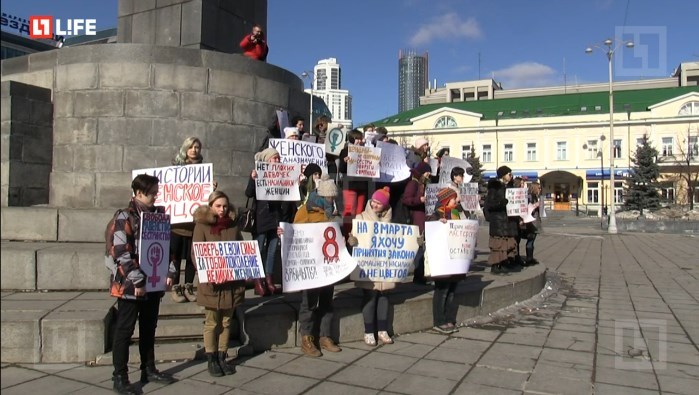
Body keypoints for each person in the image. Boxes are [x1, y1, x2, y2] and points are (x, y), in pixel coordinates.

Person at [106, 174, 176, 394]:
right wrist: (138, 279)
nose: (156, 196)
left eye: (156, 192)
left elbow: (167, 247)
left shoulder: (159, 216)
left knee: (149, 328)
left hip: (153, 282)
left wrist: (170, 271)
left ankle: (149, 368)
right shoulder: (124, 217)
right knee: (124, 330)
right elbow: (119, 252)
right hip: (129, 286)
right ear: (138, 193)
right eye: (152, 192)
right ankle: (120, 376)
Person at [192, 191, 246, 377]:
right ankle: (211, 358)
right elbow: (196, 253)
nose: (222, 209)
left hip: (231, 283)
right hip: (212, 284)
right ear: (211, 206)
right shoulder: (202, 225)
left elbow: (240, 249)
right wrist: (210, 272)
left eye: (224, 206)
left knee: (226, 321)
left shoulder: (233, 226)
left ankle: (223, 356)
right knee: (211, 323)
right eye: (218, 206)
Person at [292, 175, 342, 357]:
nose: (332, 200)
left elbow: (339, 237)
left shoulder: (333, 213)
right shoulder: (305, 212)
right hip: (311, 267)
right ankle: (307, 338)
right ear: (321, 196)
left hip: (328, 266)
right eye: (329, 197)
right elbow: (296, 235)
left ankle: (325, 336)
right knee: (309, 303)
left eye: (333, 198)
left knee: (327, 301)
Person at [347, 187, 396, 346]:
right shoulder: (361, 217)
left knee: (384, 296)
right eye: (374, 201)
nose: (375, 205)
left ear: (385, 206)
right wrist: (352, 241)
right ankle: (368, 331)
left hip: (385, 265)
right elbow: (354, 238)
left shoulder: (390, 221)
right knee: (370, 296)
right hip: (369, 266)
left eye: (379, 203)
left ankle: (382, 329)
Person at [169, 137, 205, 303]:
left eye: (197, 147)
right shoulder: (175, 169)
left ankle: (189, 286)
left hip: (194, 223)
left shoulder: (203, 170)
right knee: (175, 257)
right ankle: (175, 287)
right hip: (177, 223)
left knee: (192, 258)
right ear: (186, 148)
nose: (194, 150)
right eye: (191, 147)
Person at [245, 148, 285, 296]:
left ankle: (269, 279)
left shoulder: (282, 175)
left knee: (272, 250)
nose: (276, 161)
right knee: (259, 249)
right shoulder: (258, 173)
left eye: (278, 158)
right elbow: (248, 193)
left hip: (275, 217)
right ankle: (257, 280)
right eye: (274, 158)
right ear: (267, 160)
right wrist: (252, 178)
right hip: (261, 217)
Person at [427, 187, 465, 334]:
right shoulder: (436, 215)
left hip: (455, 259)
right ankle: (439, 321)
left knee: (452, 291)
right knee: (442, 291)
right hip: (442, 260)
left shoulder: (456, 213)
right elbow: (429, 229)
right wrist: (438, 222)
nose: (457, 200)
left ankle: (449, 319)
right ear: (446, 200)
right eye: (454, 198)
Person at [402, 161, 432, 284]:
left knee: (425, 248)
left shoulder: (424, 184)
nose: (429, 175)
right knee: (419, 247)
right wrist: (419, 200)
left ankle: (423, 275)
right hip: (417, 219)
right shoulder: (413, 184)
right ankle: (419, 276)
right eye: (427, 172)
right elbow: (406, 200)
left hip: (425, 218)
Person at [485, 166, 517, 274]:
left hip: (507, 219)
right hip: (498, 219)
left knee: (506, 243)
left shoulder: (509, 187)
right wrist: (500, 203)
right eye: (509, 174)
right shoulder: (494, 187)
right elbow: (489, 204)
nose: (511, 176)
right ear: (503, 175)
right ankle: (495, 266)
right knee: (497, 244)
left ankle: (503, 263)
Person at [523, 182, 542, 266]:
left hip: (535, 221)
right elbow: (527, 208)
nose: (540, 190)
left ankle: (530, 257)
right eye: (539, 188)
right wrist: (536, 205)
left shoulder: (535, 196)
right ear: (534, 188)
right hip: (530, 221)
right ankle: (529, 259)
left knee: (532, 240)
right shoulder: (530, 196)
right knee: (530, 240)